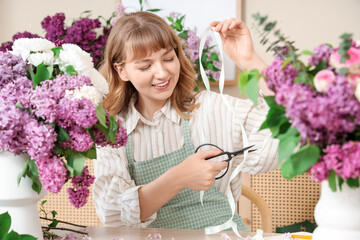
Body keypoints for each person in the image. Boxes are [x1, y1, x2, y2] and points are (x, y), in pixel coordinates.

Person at [93, 11, 278, 231]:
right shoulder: (112, 131)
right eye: (145, 66)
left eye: (169, 58)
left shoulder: (211, 108)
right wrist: (178, 177)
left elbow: (286, 132)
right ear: (121, 70)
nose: (162, 73)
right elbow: (113, 215)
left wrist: (250, 60)